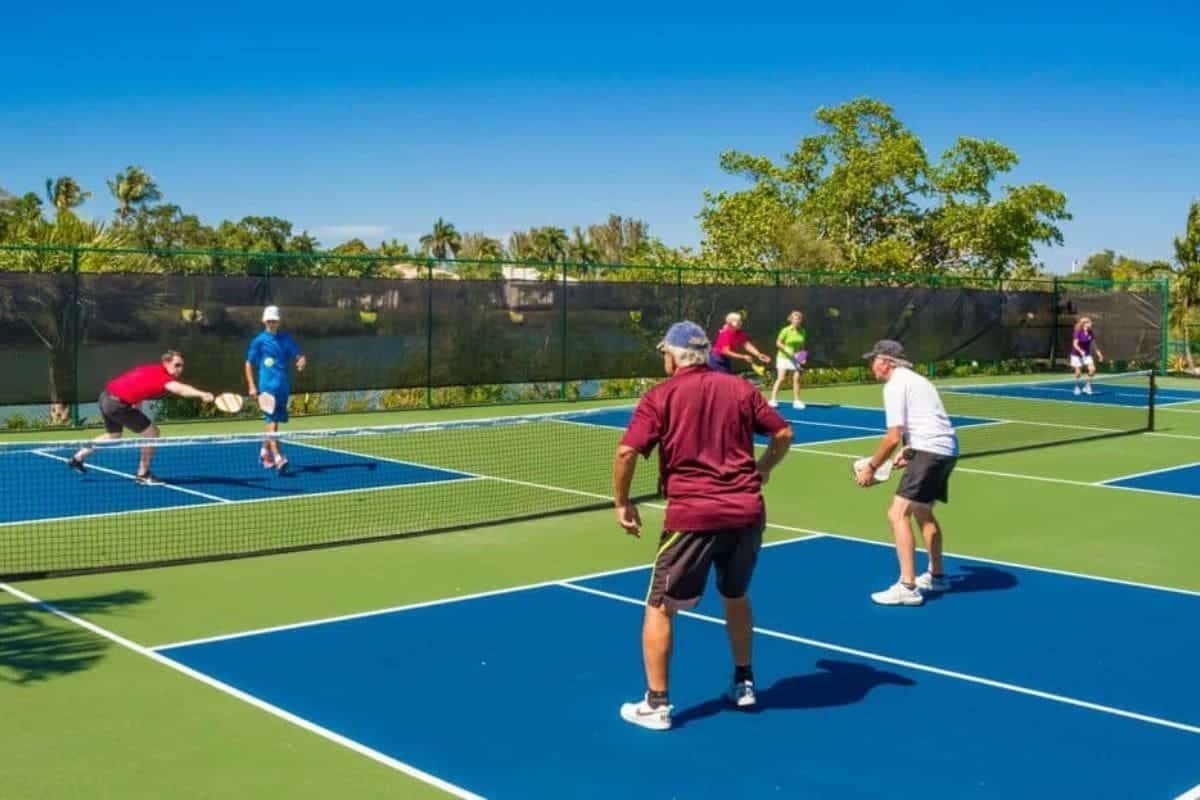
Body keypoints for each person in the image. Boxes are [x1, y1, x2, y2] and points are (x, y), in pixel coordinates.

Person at [614, 321, 794, 730]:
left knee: (660, 606)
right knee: (736, 594)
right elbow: (783, 433)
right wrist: (763, 468)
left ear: (675, 355)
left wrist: (623, 502)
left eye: (664, 352)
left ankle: (657, 704)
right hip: (747, 514)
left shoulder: (660, 396)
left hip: (693, 517)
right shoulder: (741, 389)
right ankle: (744, 682)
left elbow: (626, 453)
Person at [856, 340, 958, 607]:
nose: (871, 365)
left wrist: (871, 468)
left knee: (897, 513)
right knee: (923, 511)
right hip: (945, 450)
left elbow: (892, 438)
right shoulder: (917, 381)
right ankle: (936, 575)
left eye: (874, 360)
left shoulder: (894, 386)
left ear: (886, 362)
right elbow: (925, 420)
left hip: (930, 451)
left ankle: (907, 586)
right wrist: (909, 450)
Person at [67, 351, 214, 484]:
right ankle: (143, 474)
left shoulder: (149, 369)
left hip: (105, 396)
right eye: (177, 365)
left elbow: (137, 389)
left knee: (114, 435)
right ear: (166, 363)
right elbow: (181, 389)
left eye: (182, 366)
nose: (180, 369)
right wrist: (202, 394)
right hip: (116, 405)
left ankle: (77, 458)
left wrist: (138, 414)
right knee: (153, 433)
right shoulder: (163, 378)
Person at [245, 305, 307, 469]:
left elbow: (298, 355)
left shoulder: (286, 339)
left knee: (274, 422)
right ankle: (278, 456)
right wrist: (252, 386)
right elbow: (248, 363)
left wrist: (301, 361)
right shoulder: (259, 341)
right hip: (266, 388)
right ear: (264, 321)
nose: (272, 323)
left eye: (274, 321)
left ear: (279, 322)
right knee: (272, 420)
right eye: (269, 321)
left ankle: (264, 451)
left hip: (283, 387)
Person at [769, 310, 808, 409]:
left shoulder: (803, 331)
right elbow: (778, 343)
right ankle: (773, 399)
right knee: (781, 378)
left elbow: (802, 346)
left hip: (796, 358)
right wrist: (786, 349)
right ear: (791, 320)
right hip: (783, 357)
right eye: (795, 319)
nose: (797, 321)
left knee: (797, 379)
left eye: (799, 319)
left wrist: (802, 358)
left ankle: (796, 401)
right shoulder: (785, 330)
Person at [1070, 316, 1104, 395]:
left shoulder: (1090, 332)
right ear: (1085, 324)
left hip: (1087, 354)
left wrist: (1099, 354)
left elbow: (1094, 344)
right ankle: (1076, 387)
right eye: (1089, 322)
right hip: (1076, 354)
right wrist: (1080, 351)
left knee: (1093, 369)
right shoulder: (1078, 331)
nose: (1091, 323)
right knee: (1078, 373)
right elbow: (1075, 344)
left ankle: (1087, 386)